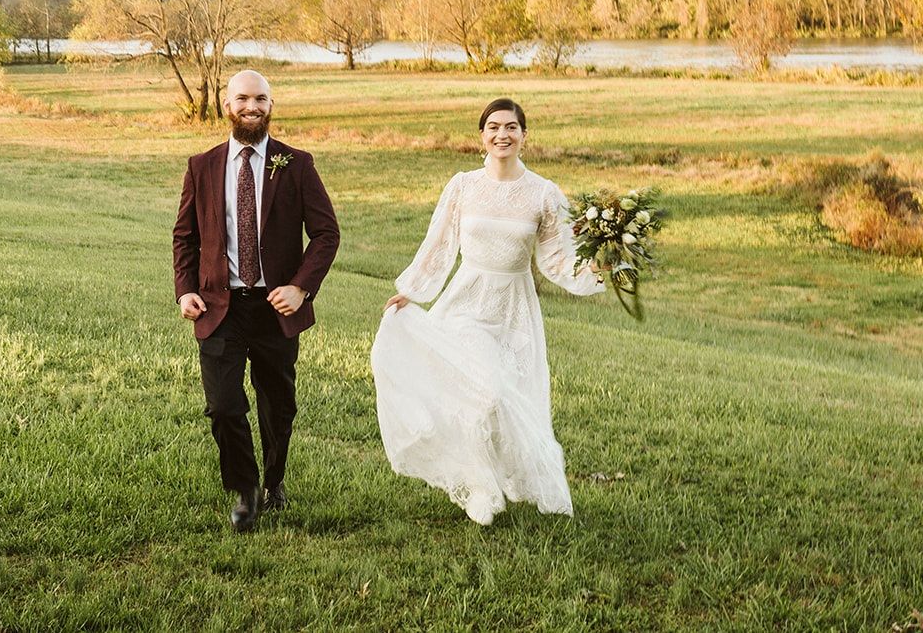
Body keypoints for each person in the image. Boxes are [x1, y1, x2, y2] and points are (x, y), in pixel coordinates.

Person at [370, 97, 605, 525]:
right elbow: (439, 245)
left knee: (508, 399)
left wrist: (603, 271)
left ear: (524, 136)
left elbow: (557, 258)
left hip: (514, 307)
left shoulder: (544, 193)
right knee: (487, 392)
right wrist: (411, 292)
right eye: (494, 127)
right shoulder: (462, 185)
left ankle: (499, 476)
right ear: (482, 134)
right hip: (466, 300)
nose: (502, 134)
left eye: (511, 127)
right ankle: (479, 488)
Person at [173, 70, 340, 532]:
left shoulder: (296, 164)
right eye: (242, 98)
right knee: (224, 405)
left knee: (278, 404)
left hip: (276, 307)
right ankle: (245, 491)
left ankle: (275, 479)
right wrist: (186, 288)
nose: (252, 106)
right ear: (227, 105)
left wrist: (300, 286)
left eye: (260, 99)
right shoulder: (201, 166)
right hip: (219, 306)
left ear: (271, 104)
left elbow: (326, 234)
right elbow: (184, 236)